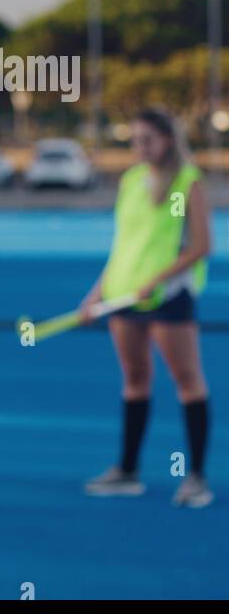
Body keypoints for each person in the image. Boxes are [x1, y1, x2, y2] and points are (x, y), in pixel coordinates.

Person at [80, 109, 213, 507]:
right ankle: (127, 471)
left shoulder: (187, 184)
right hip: (124, 296)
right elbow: (124, 245)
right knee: (135, 378)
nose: (140, 148)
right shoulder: (132, 181)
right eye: (135, 140)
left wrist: (157, 280)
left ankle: (195, 479)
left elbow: (201, 247)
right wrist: (96, 293)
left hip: (167, 297)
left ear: (167, 139)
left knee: (187, 381)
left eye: (147, 140)